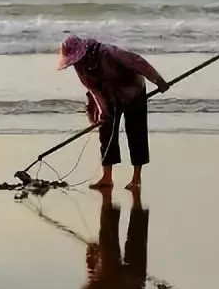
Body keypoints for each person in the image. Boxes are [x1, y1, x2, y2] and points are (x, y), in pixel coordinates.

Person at [57, 35, 169, 189]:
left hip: (133, 91)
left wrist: (157, 80)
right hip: (108, 96)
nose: (76, 63)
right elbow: (93, 89)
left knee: (136, 133)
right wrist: (101, 112)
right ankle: (107, 178)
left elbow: (137, 62)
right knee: (106, 133)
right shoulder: (80, 66)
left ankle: (136, 179)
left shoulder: (109, 52)